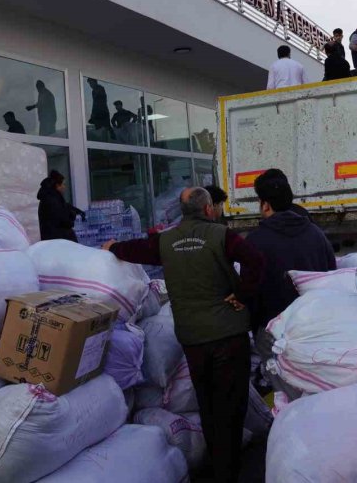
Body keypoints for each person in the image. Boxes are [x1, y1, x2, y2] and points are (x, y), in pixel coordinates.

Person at [102, 187, 264, 483]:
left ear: (182, 211)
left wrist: (113, 247)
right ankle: (230, 470)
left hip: (193, 338)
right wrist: (242, 294)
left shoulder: (165, 241)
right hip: (228, 334)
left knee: (208, 403)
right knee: (231, 403)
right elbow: (256, 260)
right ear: (209, 209)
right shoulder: (222, 236)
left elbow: (136, 249)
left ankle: (218, 467)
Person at [246, 169, 335, 333]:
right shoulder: (316, 234)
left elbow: (250, 289)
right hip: (313, 325)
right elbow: (331, 274)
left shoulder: (254, 241)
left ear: (265, 205)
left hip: (272, 328)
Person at [37, 170, 83, 242]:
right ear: (57, 185)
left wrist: (77, 211)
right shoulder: (52, 199)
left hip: (53, 238)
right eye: (63, 184)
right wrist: (72, 215)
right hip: (58, 240)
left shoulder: (50, 196)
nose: (65, 187)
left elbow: (64, 207)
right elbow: (63, 219)